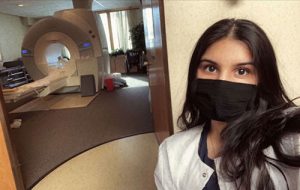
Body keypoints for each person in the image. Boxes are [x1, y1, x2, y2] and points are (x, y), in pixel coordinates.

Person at [154, 18, 300, 190]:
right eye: (210, 68)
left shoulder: (291, 142)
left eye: (242, 71)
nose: (222, 82)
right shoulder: (171, 152)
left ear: (263, 79)